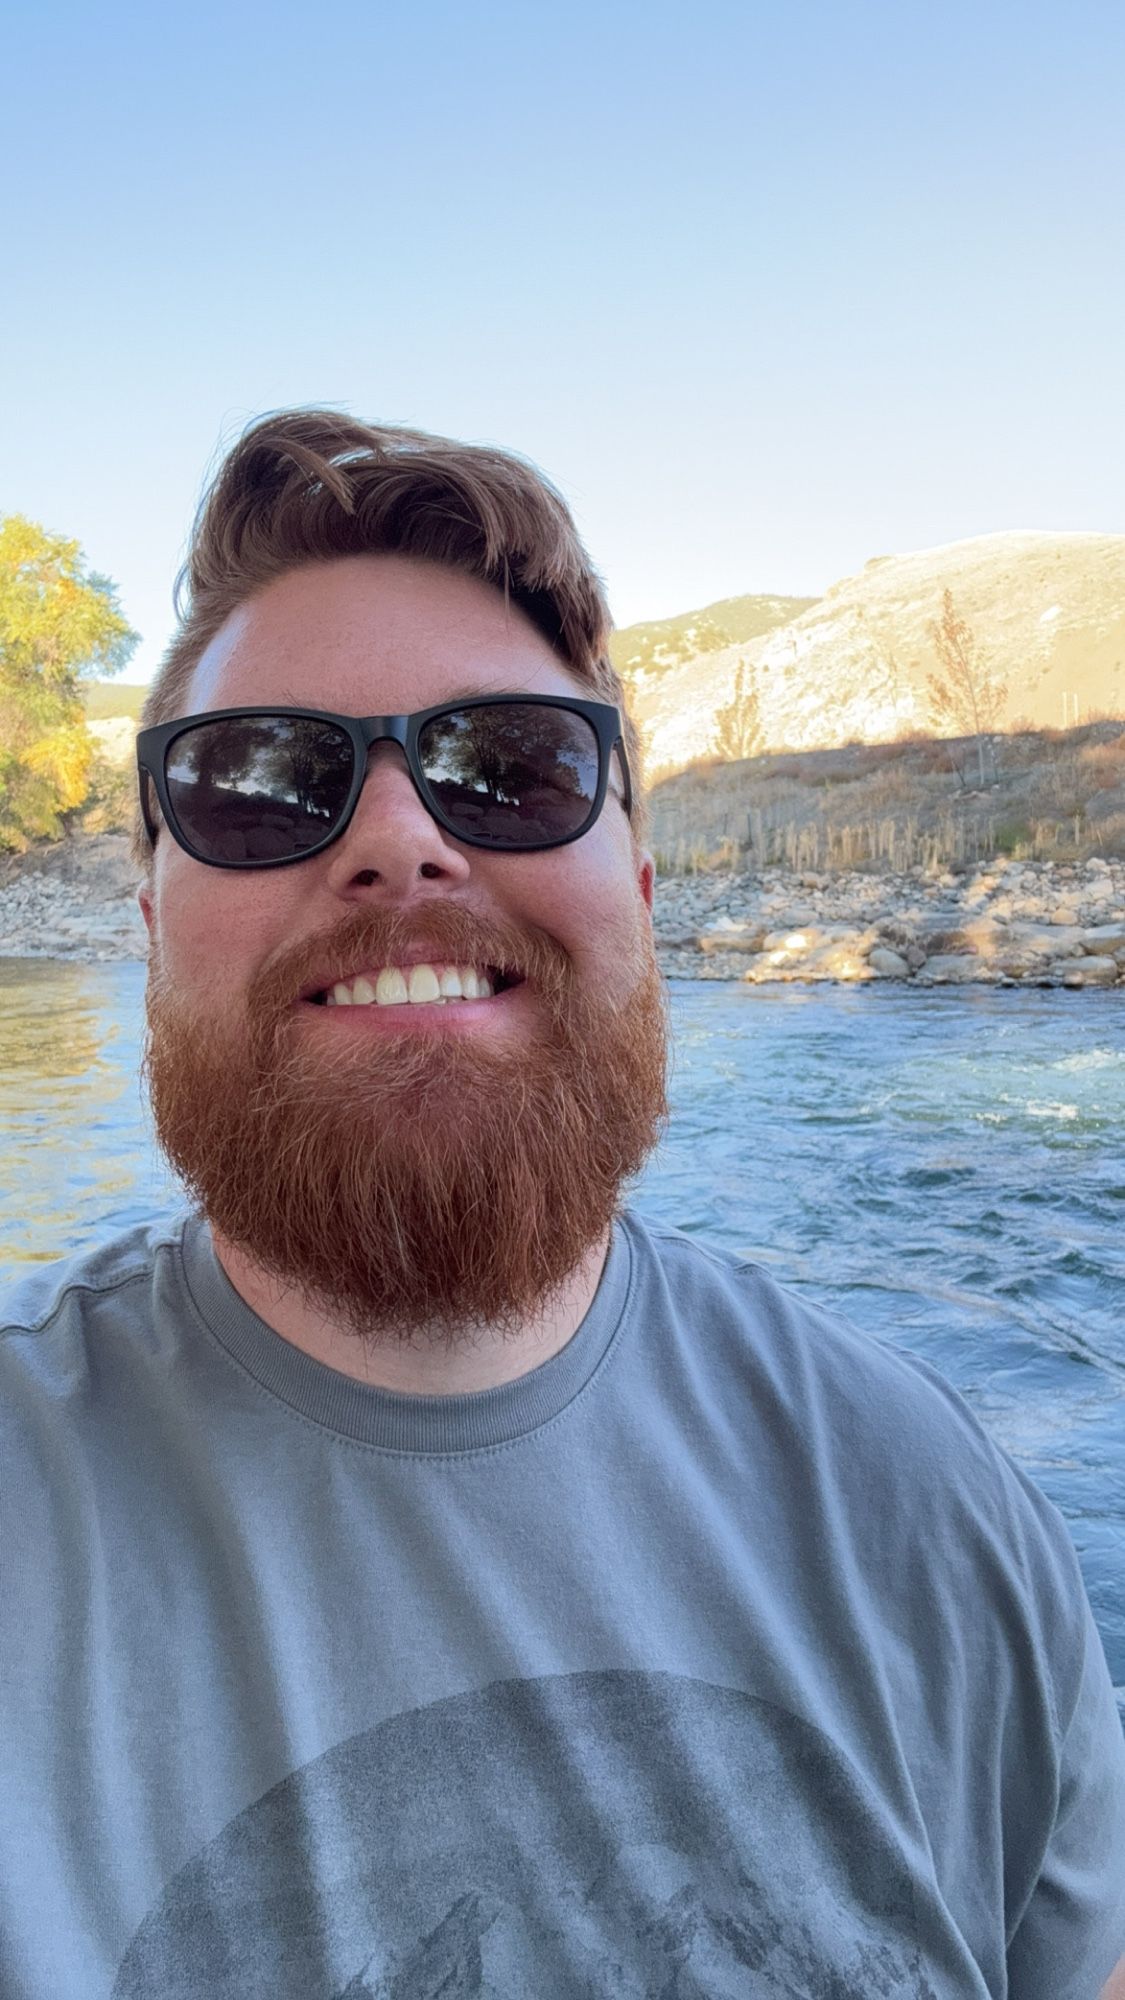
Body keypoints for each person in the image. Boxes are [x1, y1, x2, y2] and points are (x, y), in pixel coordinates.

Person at [1, 410, 1123, 2000]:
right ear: (147, 923)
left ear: (643, 897)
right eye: (256, 786)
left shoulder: (930, 1513)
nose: (398, 844)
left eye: (509, 769)